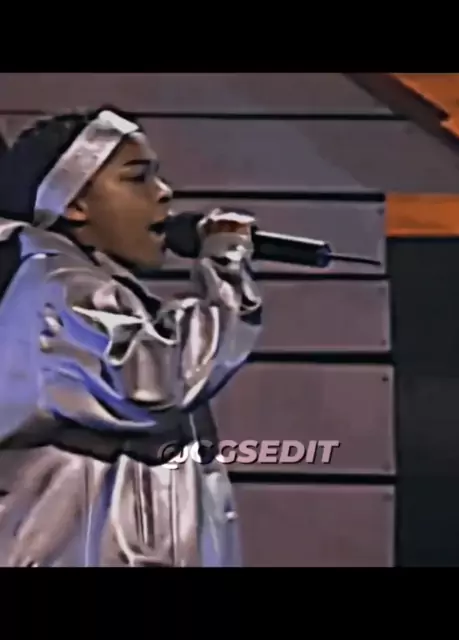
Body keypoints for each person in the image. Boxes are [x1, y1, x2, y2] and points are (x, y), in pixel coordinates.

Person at [0, 106, 262, 567]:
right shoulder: (61, 287)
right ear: (75, 204)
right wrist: (226, 268)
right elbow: (157, 383)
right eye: (137, 178)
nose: (164, 193)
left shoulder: (93, 290)